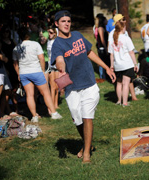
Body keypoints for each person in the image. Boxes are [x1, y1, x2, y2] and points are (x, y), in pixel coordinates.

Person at [51, 10, 116, 163]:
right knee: (77, 119)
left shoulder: (78, 36)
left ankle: (86, 153)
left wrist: (106, 67)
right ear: (56, 24)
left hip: (89, 83)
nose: (67, 24)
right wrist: (61, 69)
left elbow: (89, 52)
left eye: (68, 21)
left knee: (87, 117)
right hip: (72, 87)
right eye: (63, 21)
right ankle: (88, 143)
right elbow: (59, 59)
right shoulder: (57, 44)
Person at [13, 26, 62, 122]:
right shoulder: (35, 44)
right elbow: (42, 58)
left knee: (30, 95)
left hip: (24, 73)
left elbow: (15, 63)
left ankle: (34, 116)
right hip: (36, 71)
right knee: (46, 93)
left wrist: (18, 74)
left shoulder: (16, 48)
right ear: (28, 34)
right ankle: (53, 113)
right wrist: (43, 71)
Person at [108, 14, 138, 101]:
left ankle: (119, 100)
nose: (125, 21)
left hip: (117, 64)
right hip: (126, 63)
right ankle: (124, 102)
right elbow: (131, 51)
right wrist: (135, 63)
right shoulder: (120, 35)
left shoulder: (114, 35)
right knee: (125, 83)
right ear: (119, 22)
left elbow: (111, 53)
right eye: (123, 19)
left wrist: (112, 65)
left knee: (119, 83)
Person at [47, 26, 59, 109]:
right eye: (48, 32)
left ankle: (56, 104)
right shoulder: (47, 42)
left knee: (57, 86)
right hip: (50, 65)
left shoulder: (57, 42)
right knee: (52, 86)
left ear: (55, 33)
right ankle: (51, 106)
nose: (49, 34)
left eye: (51, 32)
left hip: (56, 64)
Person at [96, 14, 109, 80]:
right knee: (102, 61)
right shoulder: (100, 28)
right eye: (106, 20)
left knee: (106, 61)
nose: (107, 21)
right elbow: (102, 39)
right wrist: (106, 47)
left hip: (104, 47)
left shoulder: (104, 28)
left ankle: (106, 76)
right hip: (102, 48)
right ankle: (102, 76)